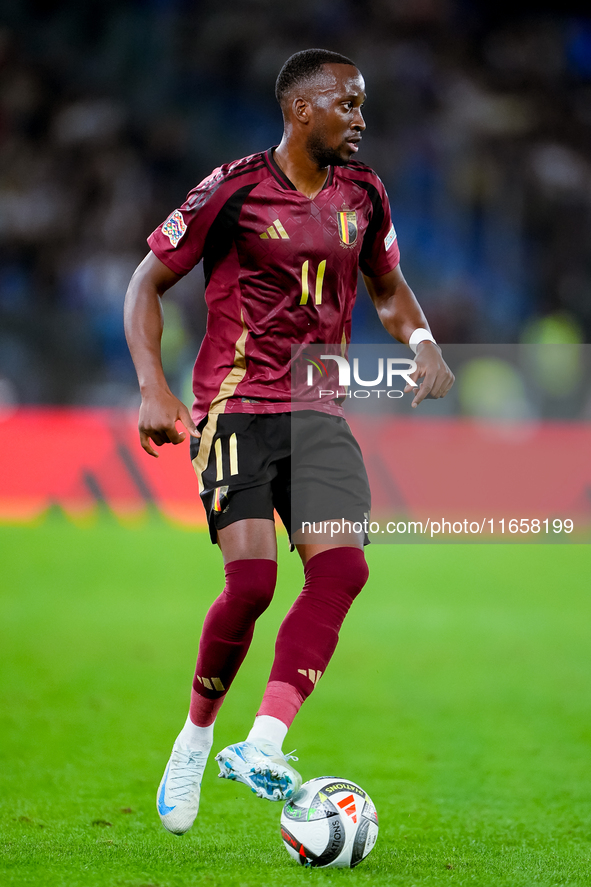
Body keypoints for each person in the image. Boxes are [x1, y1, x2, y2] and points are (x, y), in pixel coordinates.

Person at [124, 48, 454, 837]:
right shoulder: (232, 189)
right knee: (253, 586)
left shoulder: (363, 193)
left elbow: (385, 285)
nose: (361, 120)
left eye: (363, 105)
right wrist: (152, 387)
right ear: (301, 110)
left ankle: (261, 741)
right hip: (236, 408)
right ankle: (196, 736)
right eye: (348, 105)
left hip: (318, 410)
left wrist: (423, 341)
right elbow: (146, 282)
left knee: (343, 568)